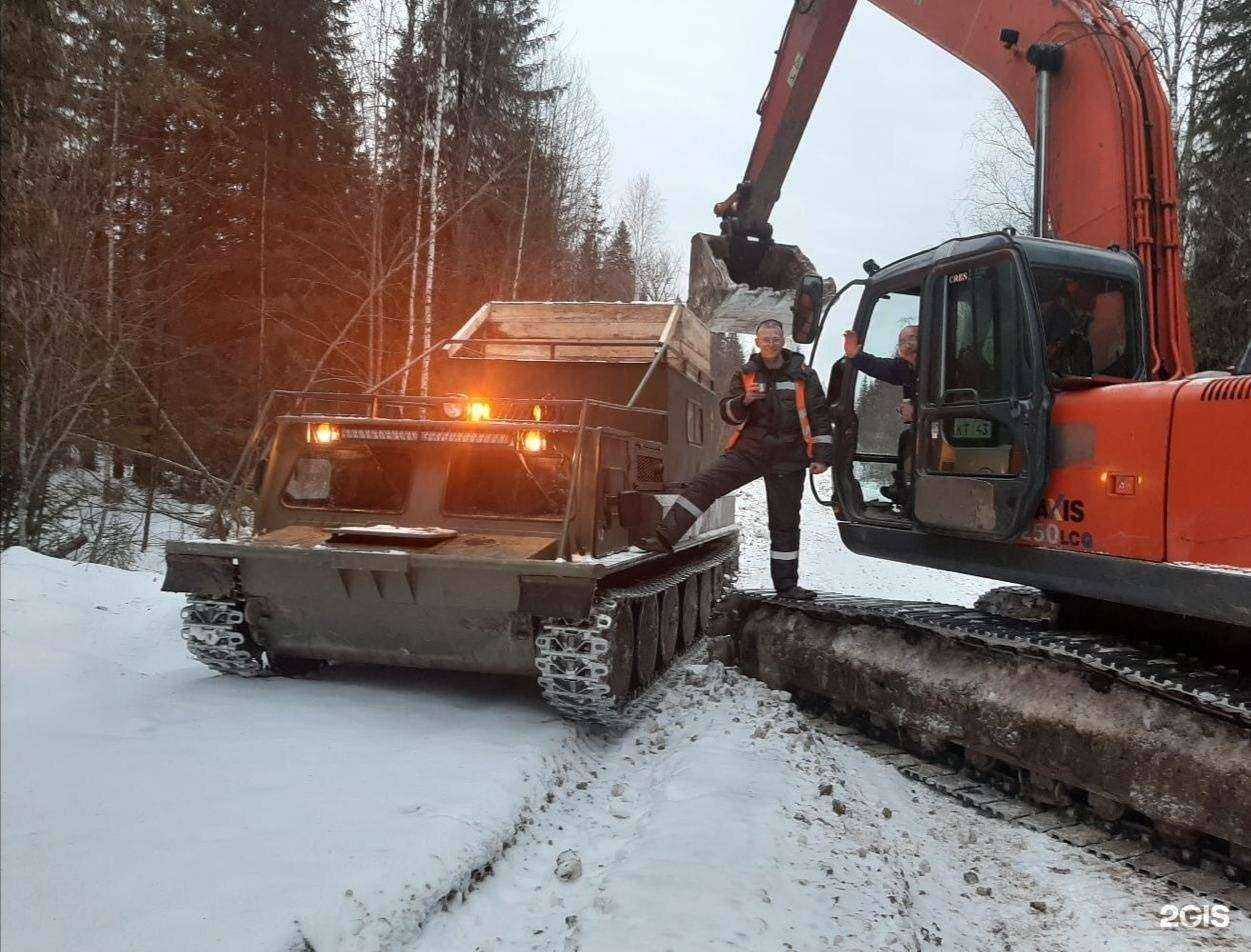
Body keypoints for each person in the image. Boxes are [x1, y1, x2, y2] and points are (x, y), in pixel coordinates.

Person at [639, 319, 834, 600]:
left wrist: (822, 457)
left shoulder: (803, 374)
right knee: (704, 484)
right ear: (757, 342)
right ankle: (664, 538)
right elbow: (727, 413)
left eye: (775, 338)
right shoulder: (745, 374)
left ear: (783, 341)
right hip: (750, 452)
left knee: (785, 524)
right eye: (765, 338)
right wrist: (744, 401)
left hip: (789, 458)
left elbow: (820, 416)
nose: (770, 343)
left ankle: (786, 587)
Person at [843, 325, 918, 505]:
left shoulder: (943, 363)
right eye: (902, 341)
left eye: (912, 339)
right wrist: (856, 356)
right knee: (907, 437)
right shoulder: (905, 366)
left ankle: (911, 490)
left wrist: (918, 410)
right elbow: (881, 367)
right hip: (925, 426)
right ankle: (904, 487)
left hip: (944, 426)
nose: (907, 345)